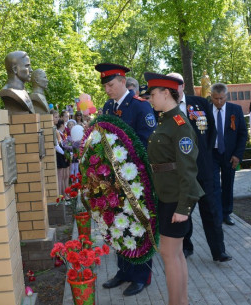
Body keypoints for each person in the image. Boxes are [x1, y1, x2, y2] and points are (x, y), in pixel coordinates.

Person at [96, 63, 155, 296]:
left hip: (136, 178)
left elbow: (147, 141)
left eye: (110, 85)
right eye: (105, 86)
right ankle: (124, 271)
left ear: (122, 81)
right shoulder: (108, 106)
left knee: (138, 227)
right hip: (115, 180)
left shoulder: (141, 107)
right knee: (119, 225)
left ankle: (141, 277)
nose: (107, 90)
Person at [144, 72, 203, 305]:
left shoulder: (179, 123)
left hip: (175, 198)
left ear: (166, 93)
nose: (150, 98)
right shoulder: (166, 119)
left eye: (153, 94)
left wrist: (184, 206)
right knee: (175, 254)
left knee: (169, 254)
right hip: (167, 194)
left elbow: (188, 168)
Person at [166, 72, 230, 263]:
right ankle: (186, 247)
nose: (173, 88)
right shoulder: (163, 109)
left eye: (176, 84)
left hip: (204, 169)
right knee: (183, 211)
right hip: (180, 173)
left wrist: (204, 154)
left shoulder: (199, 103)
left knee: (211, 210)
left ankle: (219, 251)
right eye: (169, 84)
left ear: (183, 85)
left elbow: (211, 132)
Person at [210, 83, 248, 226]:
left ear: (226, 96)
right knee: (214, 186)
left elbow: (242, 134)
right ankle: (217, 214)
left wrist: (238, 155)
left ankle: (226, 213)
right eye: (215, 98)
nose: (219, 102)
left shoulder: (235, 110)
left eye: (221, 98)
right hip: (212, 154)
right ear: (211, 96)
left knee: (228, 184)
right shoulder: (206, 110)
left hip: (229, 154)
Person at [55, 119, 70, 197]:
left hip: (64, 155)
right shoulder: (57, 132)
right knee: (61, 176)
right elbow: (58, 145)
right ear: (61, 125)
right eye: (64, 125)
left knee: (66, 176)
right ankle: (62, 194)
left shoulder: (64, 133)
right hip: (60, 155)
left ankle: (66, 193)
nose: (65, 126)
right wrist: (65, 153)